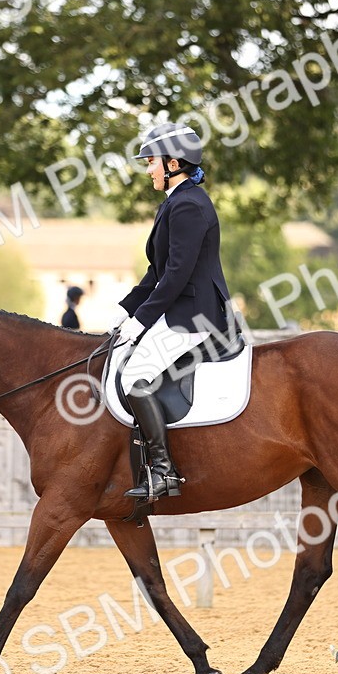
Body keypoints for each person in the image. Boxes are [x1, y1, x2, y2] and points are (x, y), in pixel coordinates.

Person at [115, 122, 233, 503]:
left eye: (151, 161)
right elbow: (157, 272)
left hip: (195, 315)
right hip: (181, 309)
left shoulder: (189, 206)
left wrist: (142, 321)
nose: (148, 169)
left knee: (134, 376)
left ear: (174, 162)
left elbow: (177, 276)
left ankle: (164, 472)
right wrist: (127, 314)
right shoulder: (175, 203)